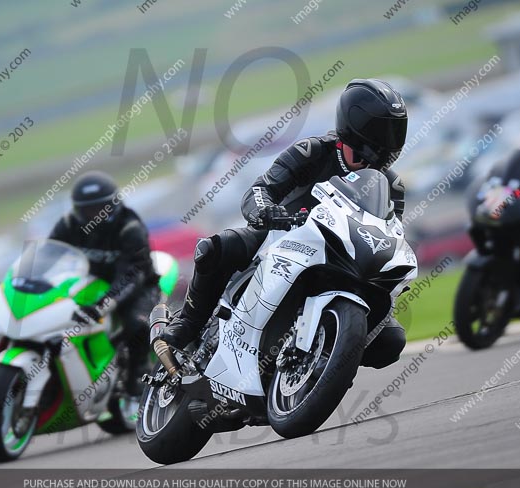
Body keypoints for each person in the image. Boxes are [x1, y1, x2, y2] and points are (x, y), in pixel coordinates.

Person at [160, 78, 410, 370]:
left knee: (390, 341)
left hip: (343, 260)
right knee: (216, 248)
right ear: (358, 124)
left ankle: (326, 367)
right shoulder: (314, 152)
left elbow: (392, 233)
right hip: (281, 239)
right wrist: (266, 211)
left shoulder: (392, 186)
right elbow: (262, 189)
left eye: (396, 128)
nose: (391, 138)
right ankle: (189, 323)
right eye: (385, 128)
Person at [50, 171, 160, 396]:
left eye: (99, 209)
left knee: (137, 324)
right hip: (91, 284)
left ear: (113, 205)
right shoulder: (68, 225)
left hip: (138, 287)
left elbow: (131, 276)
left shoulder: (130, 228)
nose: (94, 215)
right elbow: (48, 255)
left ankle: (138, 372)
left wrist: (103, 305)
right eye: (87, 210)